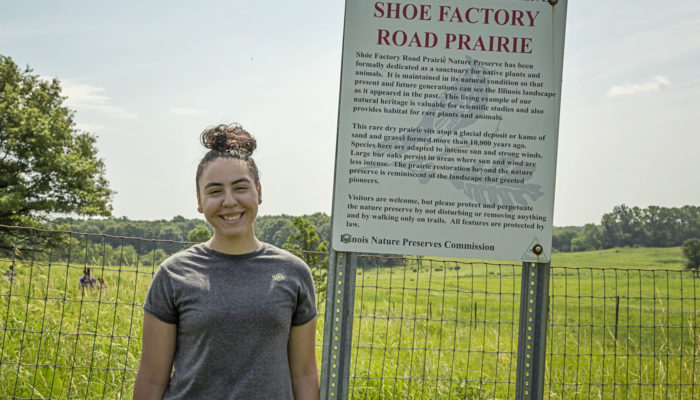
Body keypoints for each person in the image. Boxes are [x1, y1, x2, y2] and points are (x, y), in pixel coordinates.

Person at [133, 123, 319, 399]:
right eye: (215, 191)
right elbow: (151, 378)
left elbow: (303, 373)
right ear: (199, 201)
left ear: (258, 192)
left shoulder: (293, 272)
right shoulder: (173, 275)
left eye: (240, 187)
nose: (229, 201)